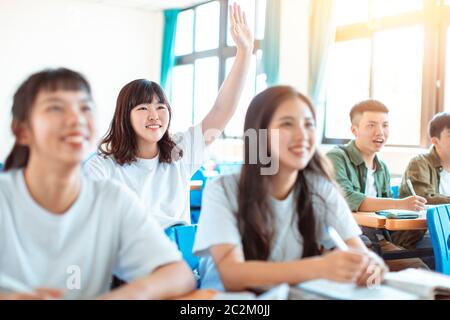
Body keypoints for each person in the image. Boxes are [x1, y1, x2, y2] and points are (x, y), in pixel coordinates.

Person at [0, 68, 195, 300]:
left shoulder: (112, 199)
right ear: (21, 131)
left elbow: (179, 275)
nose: (76, 119)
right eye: (55, 108)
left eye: (85, 108)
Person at [193, 86, 387, 291]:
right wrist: (320, 267)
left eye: (308, 124)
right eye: (287, 124)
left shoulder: (320, 187)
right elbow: (232, 275)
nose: (302, 135)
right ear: (259, 133)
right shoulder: (223, 189)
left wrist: (370, 264)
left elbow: (356, 249)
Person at [83, 4, 254, 228]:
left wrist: (244, 52)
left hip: (178, 256)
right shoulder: (103, 168)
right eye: (143, 108)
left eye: (160, 106)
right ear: (124, 117)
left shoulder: (180, 152)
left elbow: (222, 110)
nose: (154, 115)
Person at [326, 99, 428, 270]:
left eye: (385, 125)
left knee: (422, 270)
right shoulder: (337, 157)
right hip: (344, 242)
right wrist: (400, 203)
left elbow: (388, 214)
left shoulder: (382, 168)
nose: (380, 132)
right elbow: (347, 198)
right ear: (354, 130)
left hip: (379, 241)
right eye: (371, 125)